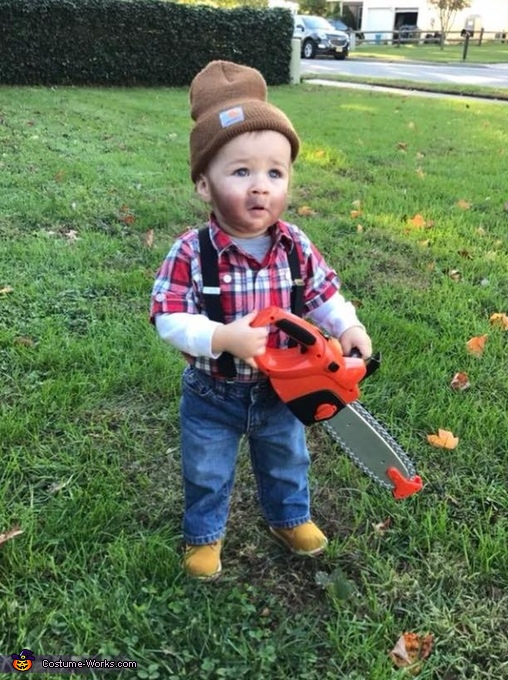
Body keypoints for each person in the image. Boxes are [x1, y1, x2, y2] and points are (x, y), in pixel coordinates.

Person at [150, 60, 372, 580]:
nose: (260, 187)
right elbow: (168, 316)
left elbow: (323, 294)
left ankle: (288, 518)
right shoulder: (191, 251)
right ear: (205, 184)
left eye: (275, 172)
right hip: (213, 394)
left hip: (282, 392)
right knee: (207, 471)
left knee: (287, 459)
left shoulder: (295, 245)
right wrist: (221, 336)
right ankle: (204, 537)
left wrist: (347, 327)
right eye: (241, 171)